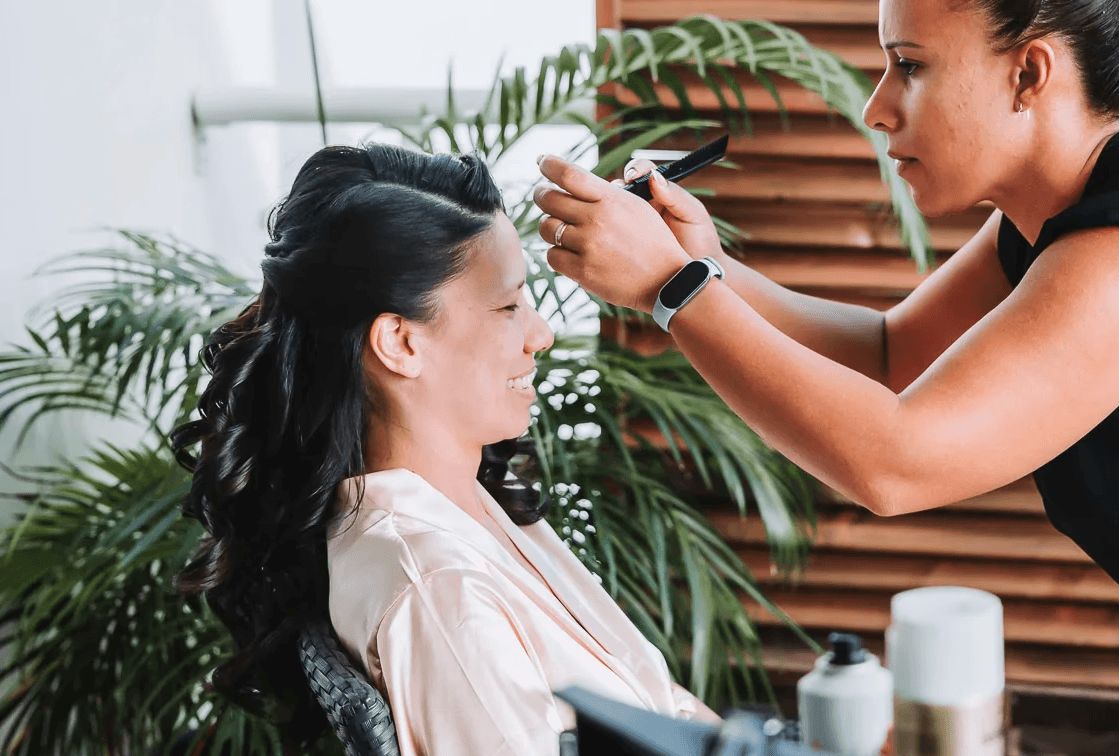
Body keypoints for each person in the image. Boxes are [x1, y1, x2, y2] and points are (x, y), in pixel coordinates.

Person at [534, 0, 1119, 649]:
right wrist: (707, 264)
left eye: (909, 65)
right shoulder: (1056, 215)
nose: (876, 109)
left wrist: (670, 287)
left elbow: (896, 464)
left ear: (1028, 74)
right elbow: (889, 355)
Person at [170, 144, 717, 756]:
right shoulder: (437, 587)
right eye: (508, 306)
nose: (542, 333)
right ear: (401, 343)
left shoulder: (464, 509)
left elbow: (662, 709)